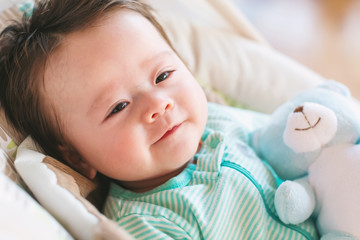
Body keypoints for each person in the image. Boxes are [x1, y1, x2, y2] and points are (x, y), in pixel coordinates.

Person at [0, 0, 318, 239]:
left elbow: (297, 147)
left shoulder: (221, 121)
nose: (157, 104)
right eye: (118, 106)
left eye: (163, 75)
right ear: (76, 157)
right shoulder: (147, 223)